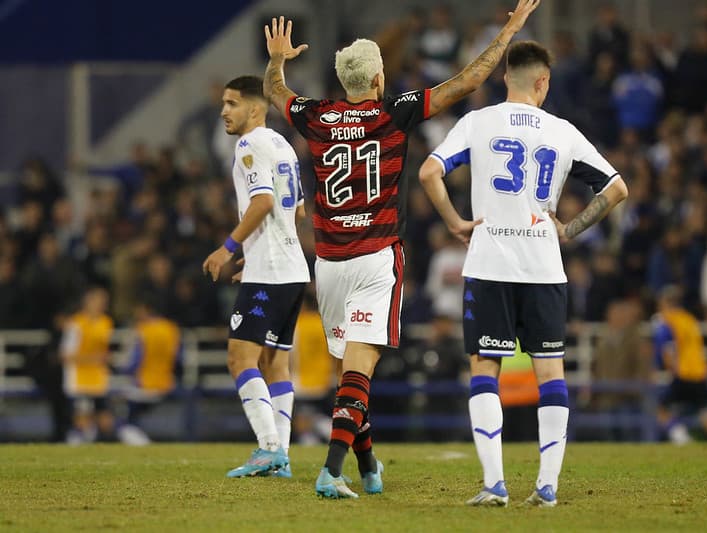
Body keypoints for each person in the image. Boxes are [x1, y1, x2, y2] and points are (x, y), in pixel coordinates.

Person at [263, 0, 542, 499]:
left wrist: (278, 59)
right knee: (358, 373)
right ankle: (331, 471)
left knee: (353, 372)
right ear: (376, 81)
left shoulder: (316, 116)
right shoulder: (394, 112)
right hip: (374, 259)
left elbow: (275, 91)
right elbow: (468, 81)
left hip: (326, 264)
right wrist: (508, 32)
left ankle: (367, 467)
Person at [418, 40, 628, 506]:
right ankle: (547, 486)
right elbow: (616, 188)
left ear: (504, 77)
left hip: (489, 264)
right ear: (543, 82)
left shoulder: (477, 122)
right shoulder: (562, 131)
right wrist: (569, 228)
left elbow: (429, 173)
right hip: (544, 267)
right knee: (550, 373)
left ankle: (494, 484)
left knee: (484, 370)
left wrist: (455, 223)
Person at [202, 75, 310, 477]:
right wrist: (258, 250)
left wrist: (228, 248)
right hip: (293, 267)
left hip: (271, 272)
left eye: (231, 104)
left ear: (254, 107)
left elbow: (263, 201)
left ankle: (268, 448)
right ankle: (280, 455)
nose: (223, 111)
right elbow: (297, 212)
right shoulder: (283, 143)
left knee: (239, 357)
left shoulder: (248, 145)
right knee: (275, 363)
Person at [653, 285, 707, 445]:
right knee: (705, 413)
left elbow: (669, 350)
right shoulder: (689, 320)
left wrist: (672, 372)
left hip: (683, 373)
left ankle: (681, 438)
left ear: (665, 303)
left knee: (661, 409)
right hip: (700, 373)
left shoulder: (667, 321)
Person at [117, 299, 183, 446]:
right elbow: (178, 359)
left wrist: (117, 366)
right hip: (167, 383)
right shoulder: (171, 328)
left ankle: (141, 443)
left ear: (145, 310)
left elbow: (132, 363)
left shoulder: (142, 330)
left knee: (119, 409)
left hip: (144, 385)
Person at [60, 287, 115, 444]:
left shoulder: (106, 322)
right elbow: (65, 355)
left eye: (104, 302)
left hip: (99, 380)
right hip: (79, 380)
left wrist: (106, 359)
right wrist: (94, 359)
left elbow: (104, 351)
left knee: (105, 421)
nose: (102, 305)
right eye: (98, 301)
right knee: (82, 421)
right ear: (87, 302)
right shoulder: (75, 324)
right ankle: (72, 448)